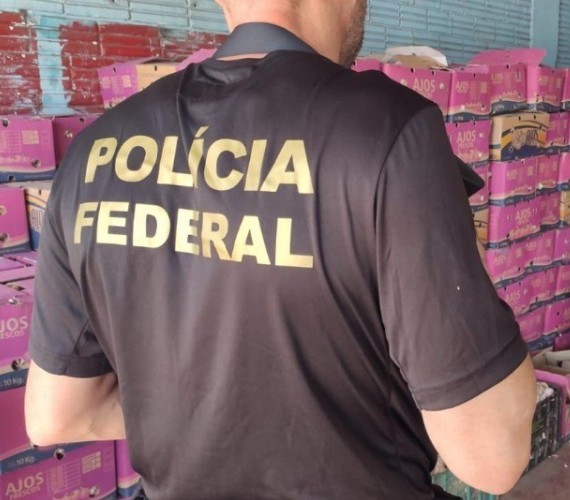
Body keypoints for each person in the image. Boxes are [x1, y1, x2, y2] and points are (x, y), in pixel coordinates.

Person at [24, 0, 537, 499]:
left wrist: (215, 423)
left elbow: (58, 416)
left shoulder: (96, 151)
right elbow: (491, 456)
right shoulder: (388, 133)